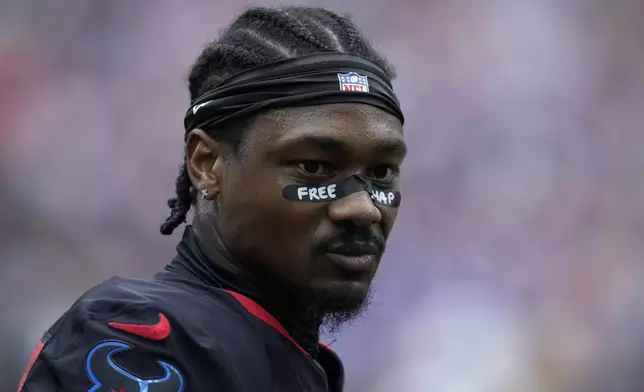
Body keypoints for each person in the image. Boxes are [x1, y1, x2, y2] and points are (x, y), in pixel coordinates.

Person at [18, 5, 406, 391]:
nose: (362, 207)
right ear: (206, 163)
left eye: (381, 173)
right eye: (314, 168)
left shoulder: (284, 355)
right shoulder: (144, 336)